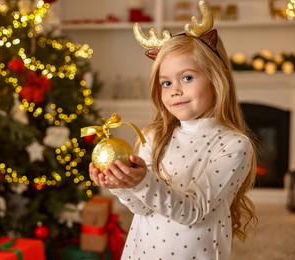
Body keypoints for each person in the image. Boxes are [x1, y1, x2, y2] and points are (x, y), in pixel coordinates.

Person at [89, 1, 257, 259]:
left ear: (216, 78)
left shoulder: (234, 145)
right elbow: (142, 208)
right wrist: (121, 184)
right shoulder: (155, 136)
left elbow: (194, 211)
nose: (175, 89)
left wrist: (142, 181)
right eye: (166, 82)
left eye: (187, 78)